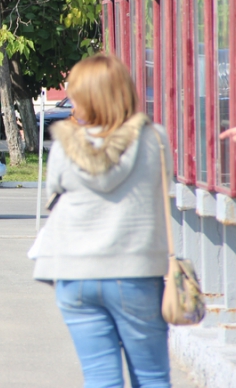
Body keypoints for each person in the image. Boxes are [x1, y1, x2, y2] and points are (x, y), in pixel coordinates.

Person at [33, 53, 172, 388]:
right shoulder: (154, 139)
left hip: (75, 274)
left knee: (100, 378)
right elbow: (165, 186)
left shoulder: (64, 146)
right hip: (136, 273)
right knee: (152, 377)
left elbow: (55, 196)